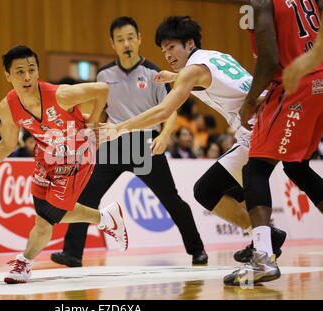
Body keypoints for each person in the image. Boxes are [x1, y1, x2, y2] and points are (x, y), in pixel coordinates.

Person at [97, 15, 287, 265]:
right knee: (219, 189)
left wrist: (119, 127)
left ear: (189, 44)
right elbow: (209, 77)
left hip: (258, 128)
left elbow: (164, 111)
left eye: (172, 47)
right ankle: (265, 236)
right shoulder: (217, 56)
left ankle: (263, 244)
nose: (168, 54)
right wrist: (173, 76)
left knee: (223, 187)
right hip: (275, 116)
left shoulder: (191, 71)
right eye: (164, 50)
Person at [51, 16, 207, 268]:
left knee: (171, 200)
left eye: (130, 38)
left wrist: (165, 136)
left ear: (139, 39)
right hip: (113, 144)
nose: (126, 43)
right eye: (120, 39)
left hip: (145, 144)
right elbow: (100, 110)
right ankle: (72, 254)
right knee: (85, 198)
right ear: (112, 44)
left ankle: (197, 250)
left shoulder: (155, 73)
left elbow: (170, 109)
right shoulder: (104, 75)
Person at [0, 45, 128, 284]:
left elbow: (101, 89)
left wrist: (92, 122)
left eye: (31, 69)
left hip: (77, 156)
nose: (27, 77)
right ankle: (105, 218)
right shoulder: (8, 106)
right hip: (46, 156)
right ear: (8, 75)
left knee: (46, 220)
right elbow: (7, 144)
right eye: (20, 71)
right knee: (48, 214)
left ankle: (24, 263)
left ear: (38, 71)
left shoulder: (59, 95)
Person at [225, 0, 323, 286]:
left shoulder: (259, 2)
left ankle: (262, 258)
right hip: (319, 82)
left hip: (298, 84)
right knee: (296, 166)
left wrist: (248, 102)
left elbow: (268, 59)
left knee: (255, 168)